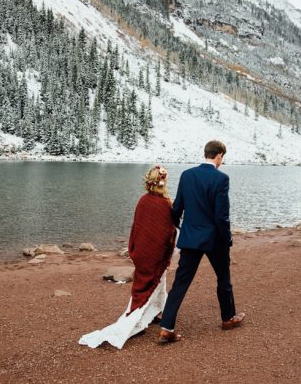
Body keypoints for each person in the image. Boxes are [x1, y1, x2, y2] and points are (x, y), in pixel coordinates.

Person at [79, 165, 177, 349]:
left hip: (142, 252)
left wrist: (135, 249)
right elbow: (167, 231)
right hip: (155, 255)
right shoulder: (165, 204)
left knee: (156, 284)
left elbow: (137, 228)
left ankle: (157, 311)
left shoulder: (143, 200)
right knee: (152, 284)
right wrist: (168, 247)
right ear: (163, 182)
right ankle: (136, 321)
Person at [158, 140, 245, 343]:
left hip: (191, 238)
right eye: (222, 157)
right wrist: (227, 238)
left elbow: (177, 208)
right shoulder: (221, 179)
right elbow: (221, 216)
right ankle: (228, 318)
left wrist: (183, 229)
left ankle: (166, 327)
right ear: (219, 155)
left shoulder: (187, 175)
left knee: (181, 282)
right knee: (223, 279)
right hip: (214, 239)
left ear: (205, 153)